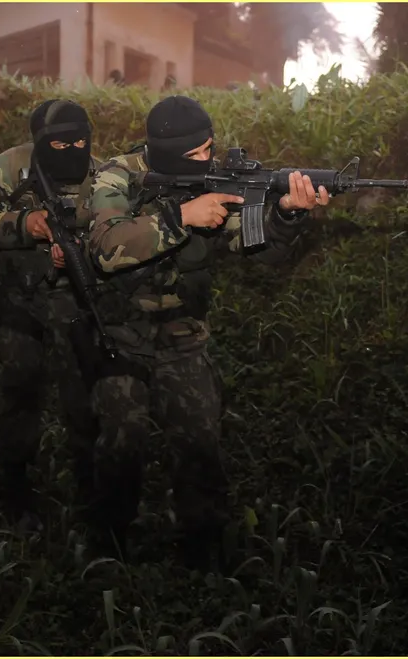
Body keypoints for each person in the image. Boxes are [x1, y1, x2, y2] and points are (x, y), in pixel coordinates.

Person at [86, 95, 331, 569]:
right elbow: (106, 246)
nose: (207, 159)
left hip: (183, 336)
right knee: (122, 442)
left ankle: (203, 549)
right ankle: (109, 548)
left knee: (199, 442)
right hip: (122, 337)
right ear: (167, 152)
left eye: (210, 148)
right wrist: (181, 217)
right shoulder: (116, 176)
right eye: (196, 154)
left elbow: (256, 248)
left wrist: (285, 215)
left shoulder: (216, 176)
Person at [0, 99, 101, 529]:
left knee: (84, 398)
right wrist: (26, 224)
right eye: (61, 143)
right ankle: (14, 487)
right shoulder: (10, 167)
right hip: (19, 301)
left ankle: (90, 493)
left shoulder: (101, 172)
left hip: (78, 302)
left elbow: (119, 228)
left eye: (81, 140)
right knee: (22, 391)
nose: (74, 149)